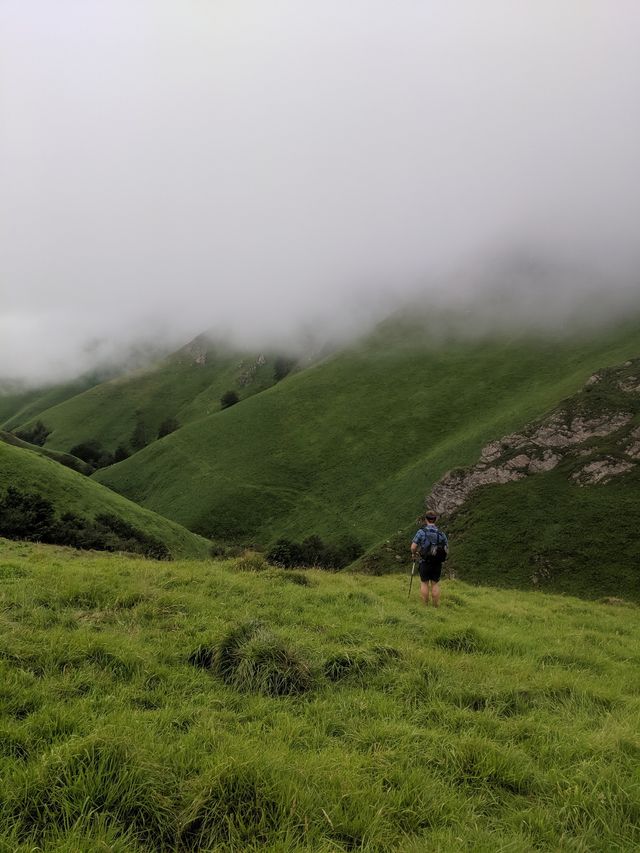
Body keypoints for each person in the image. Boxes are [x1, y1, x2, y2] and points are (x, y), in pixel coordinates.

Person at [410, 511, 448, 607]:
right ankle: (435, 606)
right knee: (435, 584)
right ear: (435, 520)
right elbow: (446, 548)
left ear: (426, 519)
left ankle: (424, 606)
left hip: (425, 562)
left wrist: (414, 554)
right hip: (437, 562)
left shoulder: (421, 532)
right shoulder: (441, 533)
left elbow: (413, 547)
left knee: (424, 583)